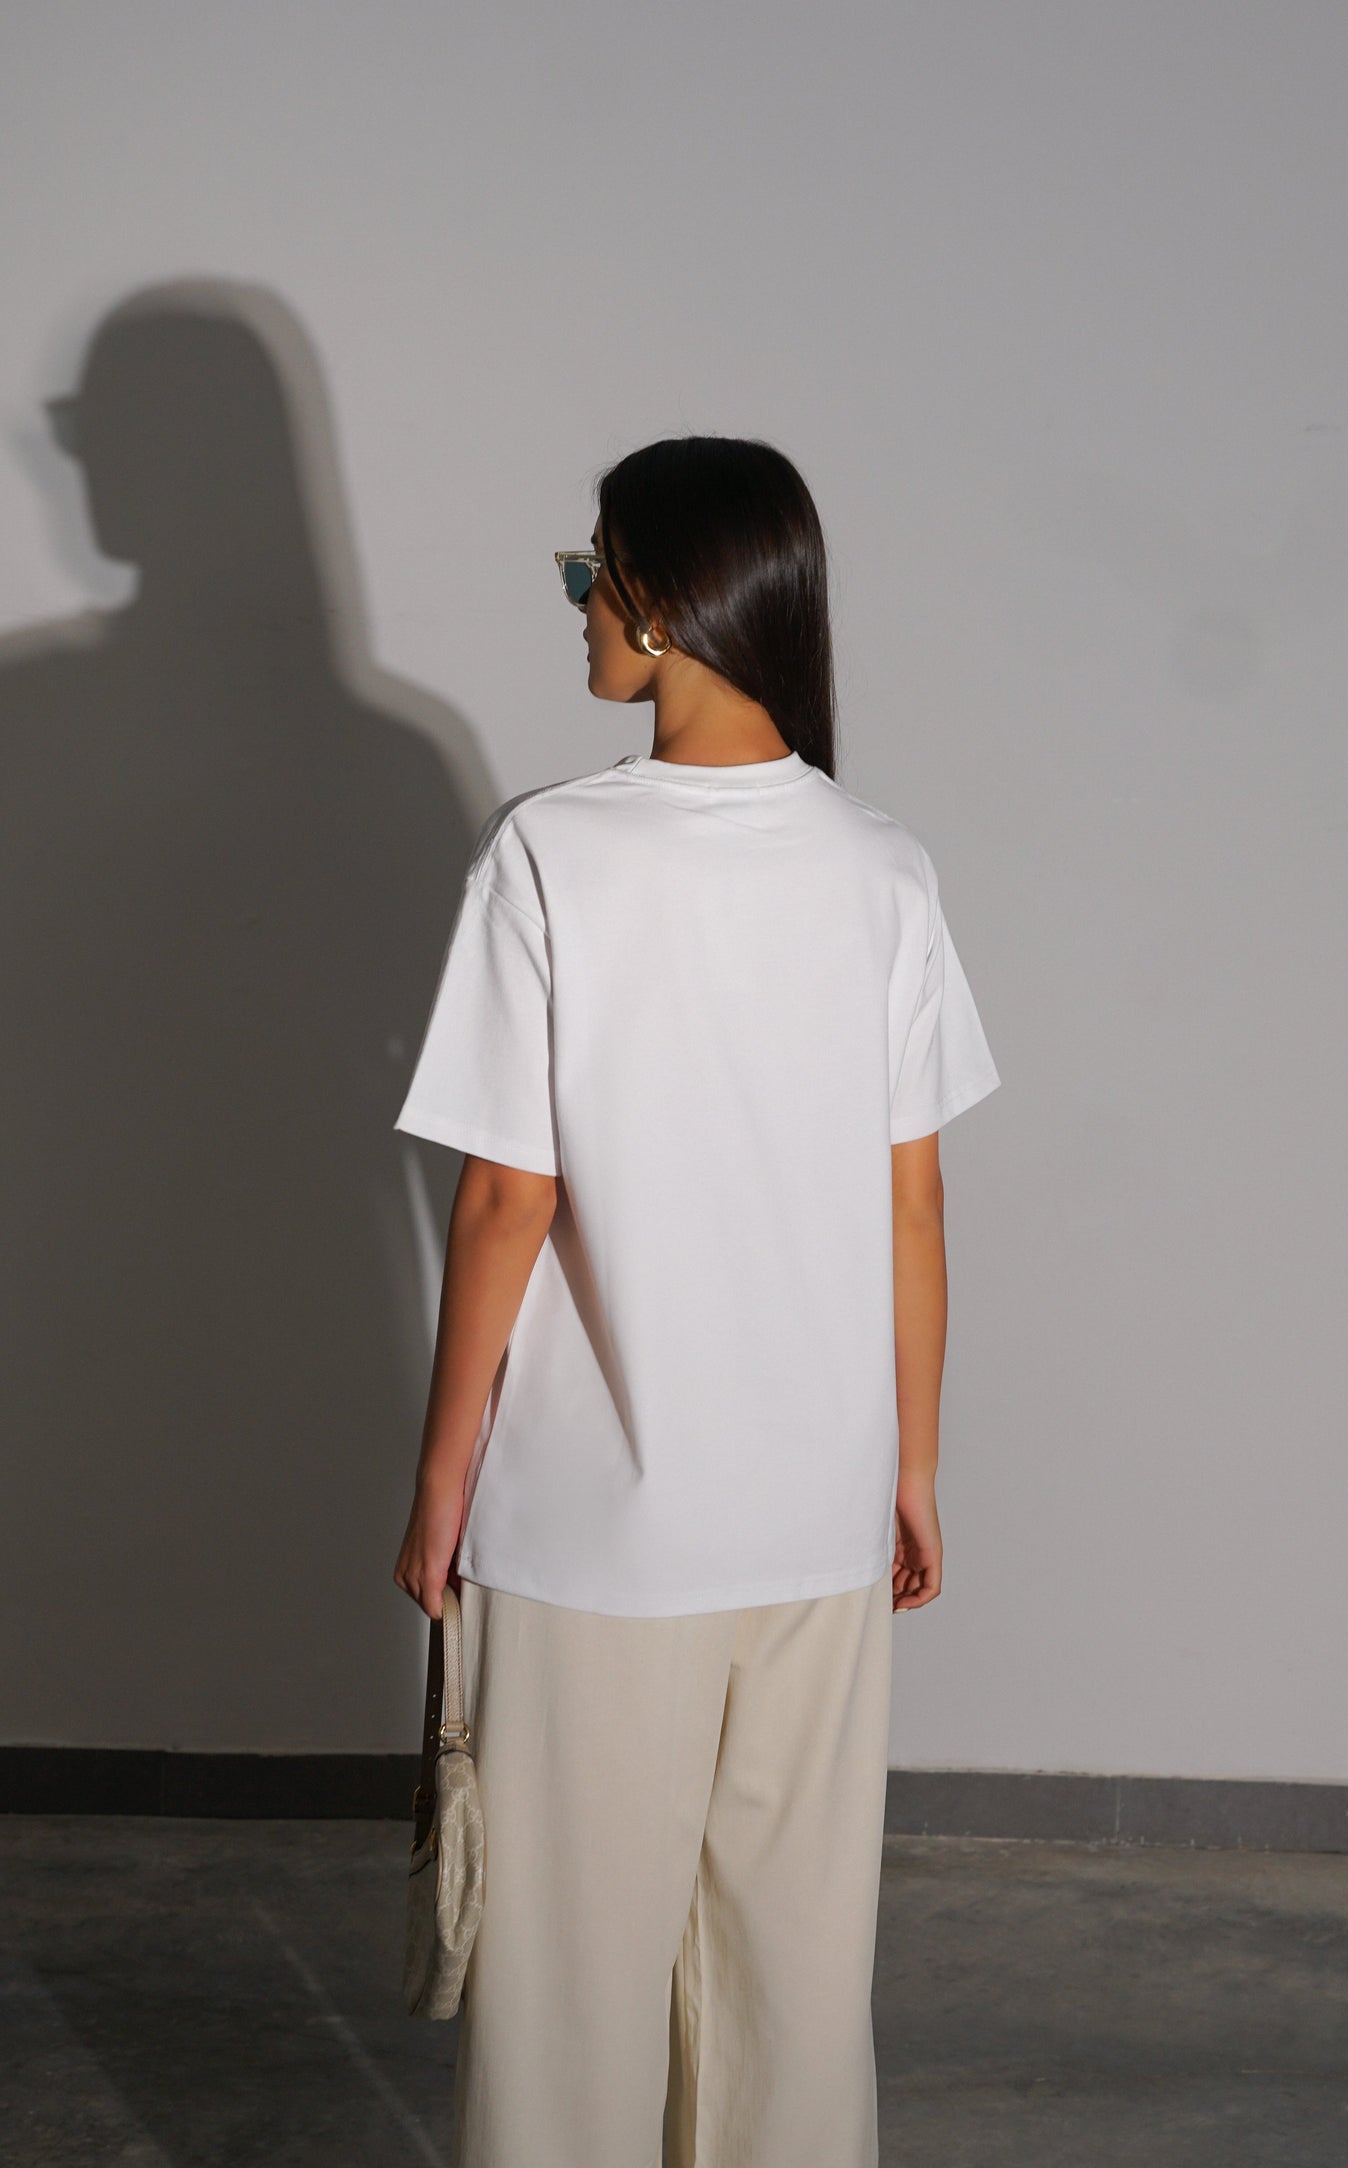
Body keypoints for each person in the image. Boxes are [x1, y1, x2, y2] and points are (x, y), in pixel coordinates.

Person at [391, 434, 1001, 2168]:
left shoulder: (554, 854)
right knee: (790, 1983)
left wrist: (439, 1486)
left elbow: (508, 1197)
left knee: (567, 1995)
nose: (578, 608)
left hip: (596, 1534)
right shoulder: (880, 865)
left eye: (591, 575)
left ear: (662, 602)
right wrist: (910, 1465)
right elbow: (911, 1198)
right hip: (816, 1515)